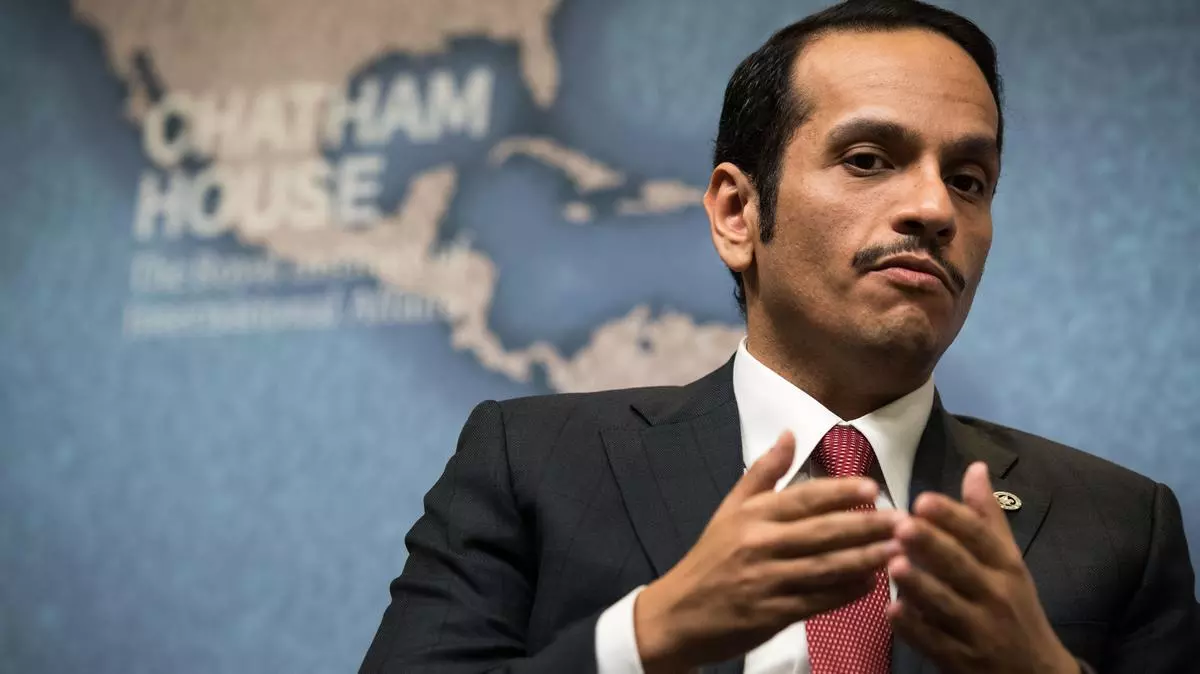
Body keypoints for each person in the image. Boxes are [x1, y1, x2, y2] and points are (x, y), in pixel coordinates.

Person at [359, 0, 1199, 672]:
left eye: (969, 179)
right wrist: (647, 637)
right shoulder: (535, 463)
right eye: (868, 159)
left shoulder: (1121, 524)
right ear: (737, 212)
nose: (935, 208)